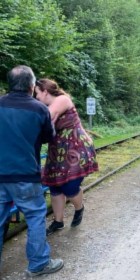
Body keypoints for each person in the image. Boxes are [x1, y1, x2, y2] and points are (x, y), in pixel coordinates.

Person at [0, 65, 63, 280]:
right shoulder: (39, 109)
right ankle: (38, 264)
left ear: (9, 84)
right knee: (35, 216)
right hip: (26, 174)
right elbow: (48, 137)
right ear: (31, 86)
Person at [33, 79, 97, 235]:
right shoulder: (45, 107)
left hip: (76, 150)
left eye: (37, 94)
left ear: (45, 92)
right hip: (57, 152)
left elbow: (44, 118)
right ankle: (58, 221)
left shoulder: (62, 100)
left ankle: (79, 208)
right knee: (54, 186)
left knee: (69, 187)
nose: (36, 98)